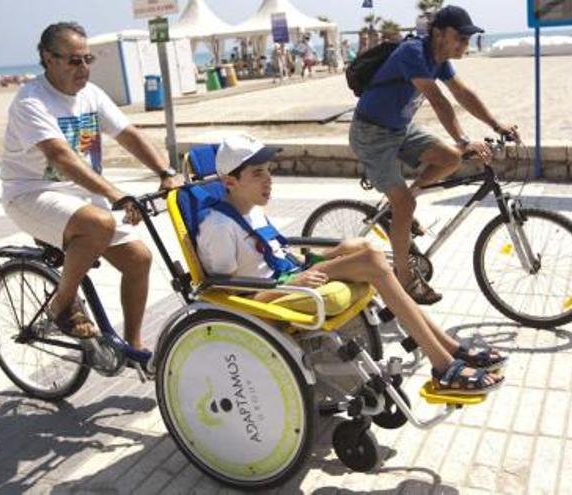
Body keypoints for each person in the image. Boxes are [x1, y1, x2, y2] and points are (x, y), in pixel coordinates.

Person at [196, 134, 507, 395]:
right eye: (257, 174)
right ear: (229, 182)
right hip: (272, 295)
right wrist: (287, 286)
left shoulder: (252, 210)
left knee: (362, 246)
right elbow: (227, 299)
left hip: (291, 276)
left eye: (268, 170)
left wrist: (330, 256)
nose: (269, 180)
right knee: (371, 259)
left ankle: (450, 350)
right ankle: (444, 365)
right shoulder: (218, 227)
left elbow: (275, 252)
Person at [0, 22, 181, 350]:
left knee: (139, 258)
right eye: (73, 60)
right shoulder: (31, 101)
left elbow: (128, 134)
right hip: (31, 194)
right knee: (99, 222)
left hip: (79, 197)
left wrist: (166, 171)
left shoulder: (91, 95)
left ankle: (133, 347)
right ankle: (61, 305)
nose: (83, 68)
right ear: (47, 58)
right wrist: (116, 194)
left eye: (87, 59)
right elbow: (60, 156)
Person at [349, 5, 519, 305]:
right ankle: (404, 278)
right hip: (371, 134)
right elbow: (438, 100)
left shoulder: (438, 59)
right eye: (460, 37)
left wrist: (496, 124)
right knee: (407, 203)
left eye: (469, 39)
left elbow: (462, 93)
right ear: (438, 33)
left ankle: (398, 208)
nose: (465, 44)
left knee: (450, 159)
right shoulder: (413, 52)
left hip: (399, 129)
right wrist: (464, 140)